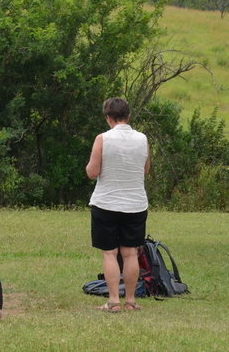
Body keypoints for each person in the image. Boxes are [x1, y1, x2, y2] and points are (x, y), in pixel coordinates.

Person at [85, 97, 151, 312]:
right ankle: (130, 301)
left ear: (108, 117)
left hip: (106, 203)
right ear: (128, 115)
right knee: (130, 253)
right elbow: (145, 169)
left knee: (109, 253)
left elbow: (92, 172)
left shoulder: (103, 138)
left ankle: (113, 301)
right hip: (135, 204)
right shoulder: (142, 139)